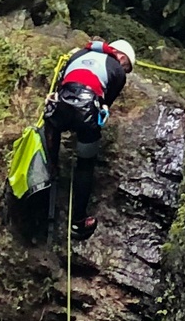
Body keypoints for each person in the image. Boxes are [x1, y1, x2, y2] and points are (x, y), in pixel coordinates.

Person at [42, 37, 137, 239]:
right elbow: (105, 103)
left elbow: (61, 85)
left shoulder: (78, 54)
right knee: (85, 164)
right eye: (126, 65)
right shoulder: (117, 71)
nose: (124, 69)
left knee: (52, 128)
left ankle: (50, 171)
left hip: (60, 107)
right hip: (86, 113)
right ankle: (77, 222)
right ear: (120, 56)